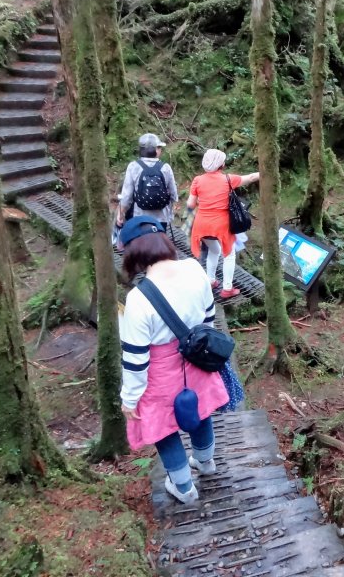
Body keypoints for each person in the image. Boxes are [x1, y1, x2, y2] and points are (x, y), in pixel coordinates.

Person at [118, 216, 230, 505]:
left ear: (134, 253)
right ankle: (206, 463)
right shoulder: (195, 268)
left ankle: (183, 487)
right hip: (196, 360)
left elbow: (135, 359)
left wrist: (129, 400)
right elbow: (208, 319)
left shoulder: (138, 299)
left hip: (159, 375)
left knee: (163, 427)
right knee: (201, 410)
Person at [185, 149, 260, 299]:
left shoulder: (197, 180)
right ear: (222, 165)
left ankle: (210, 280)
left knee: (214, 250)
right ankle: (227, 288)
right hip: (221, 226)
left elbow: (190, 204)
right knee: (229, 254)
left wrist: (203, 200)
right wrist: (266, 171)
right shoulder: (228, 179)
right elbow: (251, 177)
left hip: (201, 225)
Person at [116, 133, 179, 232]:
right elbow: (174, 195)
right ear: (155, 150)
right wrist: (170, 215)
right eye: (159, 147)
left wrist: (121, 214)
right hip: (161, 219)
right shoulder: (166, 167)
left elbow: (126, 197)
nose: (160, 150)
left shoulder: (133, 167)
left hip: (140, 218)